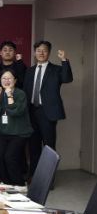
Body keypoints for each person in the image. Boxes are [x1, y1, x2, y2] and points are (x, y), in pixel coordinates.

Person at [23, 40, 73, 177]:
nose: (41, 53)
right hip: (31, 112)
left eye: (44, 50)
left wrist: (64, 60)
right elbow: (25, 90)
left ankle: (48, 179)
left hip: (47, 112)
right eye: (38, 50)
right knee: (33, 146)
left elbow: (67, 78)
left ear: (49, 53)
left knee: (49, 147)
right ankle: (33, 177)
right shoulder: (29, 71)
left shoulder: (56, 69)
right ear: (34, 53)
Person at [0, 70, 33, 186]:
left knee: (10, 157)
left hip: (19, 132)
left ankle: (19, 184)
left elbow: (16, 112)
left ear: (15, 80)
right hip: (3, 132)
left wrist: (9, 96)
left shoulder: (20, 94)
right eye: (4, 78)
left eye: (9, 78)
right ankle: (6, 183)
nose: (6, 81)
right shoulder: (0, 93)